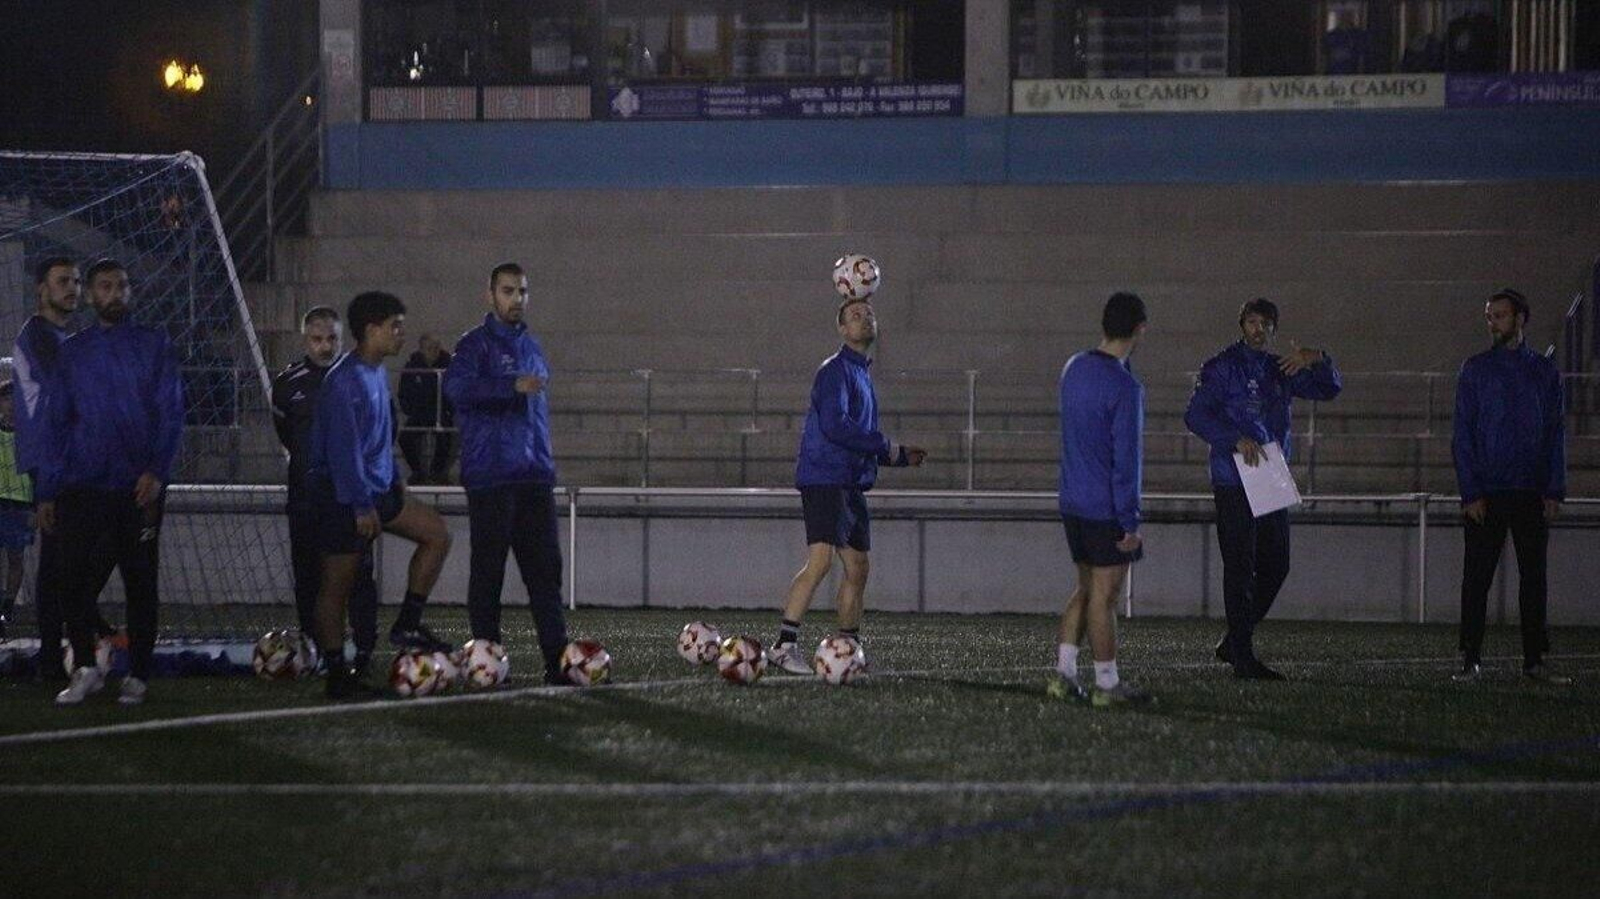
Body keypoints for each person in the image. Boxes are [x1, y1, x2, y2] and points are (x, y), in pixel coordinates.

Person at [38, 258, 184, 706]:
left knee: (141, 581)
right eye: (105, 286)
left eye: (122, 285)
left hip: (136, 488)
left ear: (130, 292)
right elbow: (55, 422)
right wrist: (46, 488)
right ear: (91, 295)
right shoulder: (72, 351)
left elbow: (171, 412)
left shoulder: (154, 345)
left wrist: (157, 470)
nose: (115, 293)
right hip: (81, 486)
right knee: (73, 581)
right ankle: (84, 667)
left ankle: (137, 673)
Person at [765, 293, 926, 675]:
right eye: (854, 315)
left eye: (868, 314)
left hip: (849, 482)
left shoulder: (860, 374)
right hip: (825, 477)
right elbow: (837, 427)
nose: (863, 318)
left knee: (858, 566)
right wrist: (892, 449)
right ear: (841, 328)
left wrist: (898, 456)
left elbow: (860, 434)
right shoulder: (834, 370)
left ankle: (849, 646)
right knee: (820, 561)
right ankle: (783, 645)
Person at [1184, 298, 1341, 680]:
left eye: (1264, 323)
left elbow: (1329, 389)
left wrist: (1318, 357)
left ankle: (1236, 641)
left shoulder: (1280, 368)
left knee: (1276, 563)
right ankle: (1243, 656)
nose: (1257, 329)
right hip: (1234, 475)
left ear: (1274, 329)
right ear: (1242, 326)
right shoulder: (1222, 366)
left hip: (1270, 473)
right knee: (1239, 566)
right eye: (1251, 322)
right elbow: (1195, 414)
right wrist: (1233, 439)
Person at [307, 291, 453, 699]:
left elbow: (379, 438)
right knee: (337, 586)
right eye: (395, 326)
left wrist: (395, 478)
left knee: (437, 534)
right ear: (371, 330)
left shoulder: (374, 372)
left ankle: (407, 623)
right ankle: (337, 674)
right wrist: (359, 504)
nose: (401, 333)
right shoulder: (343, 381)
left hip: (376, 490)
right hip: (342, 497)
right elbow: (342, 452)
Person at [443, 263, 571, 684]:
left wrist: (547, 464)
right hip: (492, 475)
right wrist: (509, 386)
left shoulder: (532, 345)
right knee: (489, 573)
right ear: (490, 295)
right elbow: (457, 391)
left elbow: (537, 416)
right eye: (508, 290)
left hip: (534, 476)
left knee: (545, 573)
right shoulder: (473, 346)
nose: (516, 298)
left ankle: (557, 662)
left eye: (522, 291)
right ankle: (485, 662)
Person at [1451, 289, 1570, 684]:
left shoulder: (1545, 372)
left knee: (1534, 579)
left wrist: (1554, 489)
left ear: (1520, 319)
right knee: (1476, 579)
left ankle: (1535, 660)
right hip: (1487, 490)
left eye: (1500, 316)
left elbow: (1555, 433)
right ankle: (1470, 660)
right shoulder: (1475, 369)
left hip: (1530, 491)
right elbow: (1462, 435)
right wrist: (1470, 492)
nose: (1492, 323)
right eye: (1489, 316)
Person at [1048, 292, 1152, 707]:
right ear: (1140, 329)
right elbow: (1126, 459)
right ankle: (1107, 685)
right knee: (1105, 597)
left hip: (1072, 499)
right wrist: (1129, 521)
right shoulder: (1125, 387)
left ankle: (1064, 675)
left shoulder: (1074, 367)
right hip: (1104, 506)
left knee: (1085, 588)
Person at [270, 307, 381, 674]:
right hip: (307, 497)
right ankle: (314, 649)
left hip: (351, 498)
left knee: (359, 576)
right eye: (317, 339)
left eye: (331, 338)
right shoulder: (287, 383)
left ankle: (364, 651)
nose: (324, 346)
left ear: (341, 338)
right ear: (305, 340)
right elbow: (286, 434)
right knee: (309, 576)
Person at [399, 334, 454, 485]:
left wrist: (449, 410)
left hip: (441, 412)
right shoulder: (412, 367)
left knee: (446, 436)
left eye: (437, 348)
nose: (434, 352)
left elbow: (454, 391)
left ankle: (437, 473)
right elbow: (403, 393)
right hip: (420, 412)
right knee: (405, 438)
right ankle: (417, 472)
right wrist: (410, 410)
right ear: (422, 349)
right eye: (430, 348)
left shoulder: (449, 366)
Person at [0, 382, 32, 639]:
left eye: (14, 399)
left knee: (15, 558)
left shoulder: (30, 434)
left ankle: (8, 607)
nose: (10, 405)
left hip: (21, 505)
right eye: (6, 399)